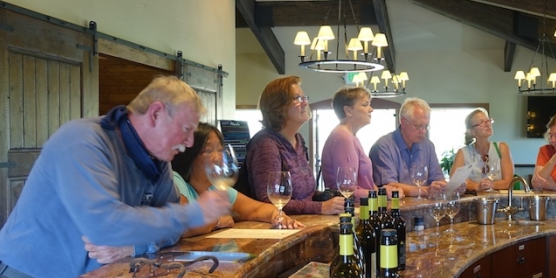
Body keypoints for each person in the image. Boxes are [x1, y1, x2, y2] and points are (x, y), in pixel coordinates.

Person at [0, 76, 232, 278]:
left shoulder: (158, 162)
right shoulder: (82, 140)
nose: (189, 142)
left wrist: (136, 244)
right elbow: (105, 226)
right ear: (155, 113)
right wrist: (194, 213)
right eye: (186, 129)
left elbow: (173, 229)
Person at [171, 123, 303, 235]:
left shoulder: (215, 187)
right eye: (208, 150)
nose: (218, 158)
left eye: (220, 150)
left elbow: (255, 210)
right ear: (188, 156)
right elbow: (182, 227)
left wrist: (277, 216)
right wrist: (217, 221)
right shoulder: (177, 181)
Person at [245, 76, 346, 215]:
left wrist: (327, 198)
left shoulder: (298, 140)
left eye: (304, 97)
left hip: (304, 224)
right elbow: (269, 201)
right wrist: (320, 208)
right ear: (278, 107)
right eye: (297, 98)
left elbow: (305, 195)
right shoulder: (267, 144)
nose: (305, 103)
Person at [320, 86, 402, 200]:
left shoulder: (349, 136)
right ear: (348, 111)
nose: (371, 109)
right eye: (365, 105)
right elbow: (348, 191)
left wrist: (382, 191)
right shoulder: (343, 137)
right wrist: (382, 194)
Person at [369, 97, 449, 198]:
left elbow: (437, 179)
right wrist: (426, 191)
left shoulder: (428, 145)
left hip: (425, 208)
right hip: (396, 209)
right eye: (418, 126)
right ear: (403, 122)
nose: (423, 131)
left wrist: (446, 186)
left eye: (426, 126)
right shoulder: (383, 146)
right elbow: (390, 186)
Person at [449, 108, 514, 192]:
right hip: (473, 201)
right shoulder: (463, 153)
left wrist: (489, 185)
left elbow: (508, 182)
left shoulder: (502, 147)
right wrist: (477, 187)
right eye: (482, 123)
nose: (488, 124)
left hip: (498, 201)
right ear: (472, 132)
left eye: (488, 121)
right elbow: (455, 181)